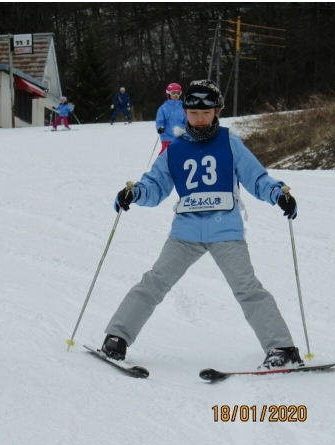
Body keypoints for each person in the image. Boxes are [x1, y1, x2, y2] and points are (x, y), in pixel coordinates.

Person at [102, 79, 304, 370]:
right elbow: (154, 185)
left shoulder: (229, 142)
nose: (199, 119)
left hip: (226, 231)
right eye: (193, 113)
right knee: (155, 281)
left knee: (247, 287)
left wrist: (278, 194)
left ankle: (281, 347)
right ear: (184, 112)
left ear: (217, 111)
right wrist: (134, 193)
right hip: (185, 232)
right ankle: (117, 338)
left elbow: (255, 177)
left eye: (206, 113)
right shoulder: (174, 149)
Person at [155, 82, 187, 155]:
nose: (175, 96)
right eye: (173, 93)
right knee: (165, 153)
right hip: (167, 136)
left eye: (178, 93)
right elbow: (159, 121)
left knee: (181, 153)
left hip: (180, 136)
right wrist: (160, 128)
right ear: (169, 94)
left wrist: (188, 129)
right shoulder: (163, 108)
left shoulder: (183, 108)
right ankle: (162, 164)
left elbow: (187, 121)